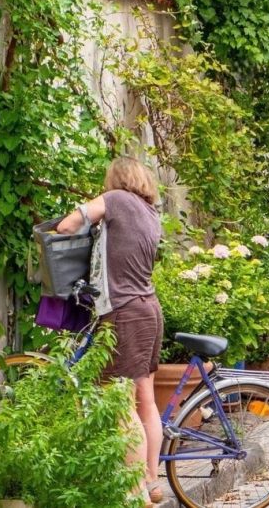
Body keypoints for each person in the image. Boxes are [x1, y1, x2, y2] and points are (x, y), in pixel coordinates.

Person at [57, 157, 164, 505]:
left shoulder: (116, 200)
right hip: (149, 309)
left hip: (124, 312)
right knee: (146, 398)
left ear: (117, 180)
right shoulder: (151, 213)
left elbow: (69, 224)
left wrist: (64, 228)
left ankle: (134, 495)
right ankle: (152, 482)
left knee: (120, 403)